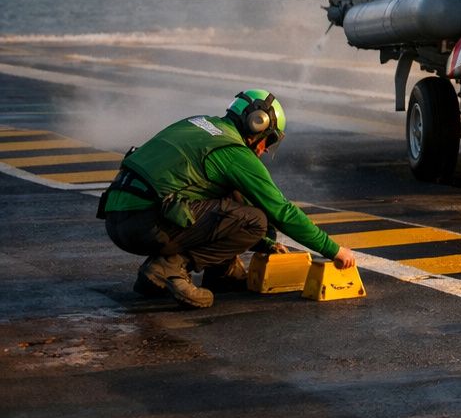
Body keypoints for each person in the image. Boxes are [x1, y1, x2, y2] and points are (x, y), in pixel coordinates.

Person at [98, 89, 357, 308]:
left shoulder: (198, 123)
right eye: (268, 140)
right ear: (257, 125)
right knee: (255, 221)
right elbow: (282, 211)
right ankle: (168, 267)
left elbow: (221, 199)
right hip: (145, 224)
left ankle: (221, 273)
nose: (264, 150)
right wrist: (333, 250)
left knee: (233, 196)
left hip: (117, 219)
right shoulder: (233, 151)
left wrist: (266, 244)